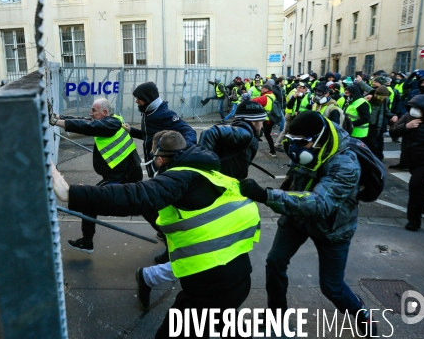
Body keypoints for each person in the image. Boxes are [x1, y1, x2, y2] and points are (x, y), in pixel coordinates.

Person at [51, 130, 260, 338]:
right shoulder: (210, 173)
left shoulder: (179, 178)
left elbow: (136, 196)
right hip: (239, 275)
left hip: (210, 286)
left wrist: (71, 194)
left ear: (160, 159)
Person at [240, 111, 378, 337]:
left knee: (332, 288)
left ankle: (360, 311)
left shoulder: (345, 163)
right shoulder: (310, 148)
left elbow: (321, 203)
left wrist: (268, 195)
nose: (295, 149)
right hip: (297, 219)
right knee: (275, 262)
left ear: (320, 137)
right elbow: (297, 181)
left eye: (302, 142)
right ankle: (276, 316)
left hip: (333, 228)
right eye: (291, 142)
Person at [134, 101, 267, 311]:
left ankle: (149, 277)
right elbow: (212, 132)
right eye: (262, 120)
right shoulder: (245, 132)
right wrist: (206, 160)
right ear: (255, 120)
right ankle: (149, 277)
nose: (264, 124)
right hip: (217, 199)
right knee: (203, 255)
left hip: (219, 197)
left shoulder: (244, 132)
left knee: (204, 255)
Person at [49, 98, 151, 253]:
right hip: (122, 174)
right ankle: (166, 234)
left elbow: (87, 127)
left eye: (94, 110)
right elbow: (83, 121)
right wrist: (58, 117)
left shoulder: (112, 124)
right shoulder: (111, 120)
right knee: (145, 205)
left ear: (104, 112)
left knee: (90, 201)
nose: (91, 113)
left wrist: (56, 122)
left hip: (124, 177)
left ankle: (87, 242)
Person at [124, 82, 197, 179]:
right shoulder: (148, 113)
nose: (136, 101)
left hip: (163, 169)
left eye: (139, 98)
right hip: (154, 166)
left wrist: (181, 153)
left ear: (148, 97)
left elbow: (190, 131)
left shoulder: (165, 114)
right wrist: (131, 130)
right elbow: (148, 135)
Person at [391, 95, 424, 231]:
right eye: (412, 107)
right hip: (412, 160)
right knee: (422, 188)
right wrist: (406, 126)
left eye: (417, 108)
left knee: (416, 187)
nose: (414, 110)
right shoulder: (408, 117)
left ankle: (414, 221)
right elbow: (393, 131)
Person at [364, 85, 397, 160]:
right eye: (381, 97)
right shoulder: (369, 98)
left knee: (373, 144)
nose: (382, 99)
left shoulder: (385, 100)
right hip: (365, 124)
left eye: (384, 97)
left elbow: (386, 112)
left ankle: (374, 159)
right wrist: (365, 100)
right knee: (367, 143)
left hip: (375, 125)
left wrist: (392, 116)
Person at [275, 82, 309, 151]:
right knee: (286, 130)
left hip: (298, 115)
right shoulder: (294, 93)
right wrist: (294, 97)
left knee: (293, 131)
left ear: (305, 89)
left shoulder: (307, 96)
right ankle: (277, 144)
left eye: (301, 88)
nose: (299, 89)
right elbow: (289, 105)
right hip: (290, 114)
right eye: (298, 87)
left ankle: (287, 144)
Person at [251, 83, 278, 157]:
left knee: (255, 136)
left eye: (262, 88)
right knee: (267, 135)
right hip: (271, 119)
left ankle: (251, 153)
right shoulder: (273, 95)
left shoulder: (265, 97)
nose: (261, 89)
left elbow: (254, 101)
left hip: (264, 120)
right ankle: (273, 152)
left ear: (266, 89)